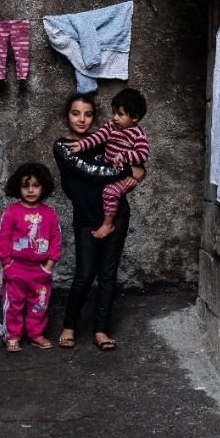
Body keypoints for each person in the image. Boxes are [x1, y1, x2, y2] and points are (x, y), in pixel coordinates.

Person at [53, 93, 145, 351]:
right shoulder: (63, 147)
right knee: (84, 274)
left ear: (94, 117)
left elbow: (133, 157)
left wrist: (141, 170)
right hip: (86, 218)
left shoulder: (107, 139)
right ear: (67, 116)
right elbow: (94, 173)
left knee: (108, 275)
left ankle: (101, 330)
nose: (82, 119)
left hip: (116, 215)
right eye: (75, 113)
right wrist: (133, 171)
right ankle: (69, 327)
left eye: (88, 114)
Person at [65, 87, 149, 239]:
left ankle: (108, 223)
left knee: (109, 192)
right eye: (114, 113)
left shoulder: (138, 134)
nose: (115, 118)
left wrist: (125, 158)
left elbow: (142, 154)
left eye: (120, 114)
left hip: (118, 177)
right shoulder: (110, 127)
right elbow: (96, 138)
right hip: (108, 175)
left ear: (135, 117)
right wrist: (81, 145)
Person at [0, 162, 62, 353]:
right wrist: (7, 263)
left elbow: (56, 240)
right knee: (14, 305)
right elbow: (3, 238)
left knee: (39, 304)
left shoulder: (49, 214)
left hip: (40, 270)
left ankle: (36, 334)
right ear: (18, 187)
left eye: (36, 185)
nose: (31, 190)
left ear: (44, 187)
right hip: (16, 268)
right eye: (26, 186)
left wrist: (49, 266)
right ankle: (12, 336)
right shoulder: (11, 213)